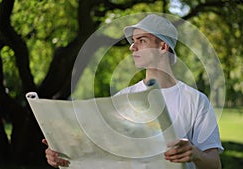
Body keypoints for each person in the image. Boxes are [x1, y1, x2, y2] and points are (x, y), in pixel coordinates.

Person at [42, 14, 224, 169]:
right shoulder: (122, 99)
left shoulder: (195, 101)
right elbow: (101, 153)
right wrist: (63, 155)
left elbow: (214, 163)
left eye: (141, 41)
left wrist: (195, 154)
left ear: (162, 47)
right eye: (133, 41)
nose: (132, 47)